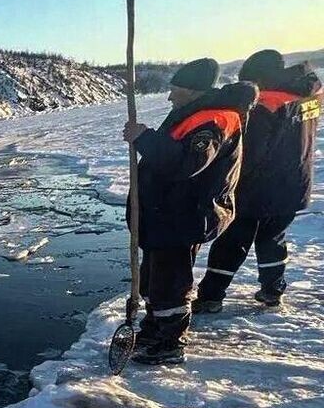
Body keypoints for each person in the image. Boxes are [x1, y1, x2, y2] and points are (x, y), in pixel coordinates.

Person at [122, 58, 257, 364]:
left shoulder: (213, 121)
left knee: (170, 283)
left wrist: (144, 138)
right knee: (154, 279)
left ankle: (169, 343)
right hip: (167, 214)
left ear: (193, 91)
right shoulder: (195, 114)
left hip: (183, 216)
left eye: (176, 89)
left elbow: (186, 164)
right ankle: (154, 329)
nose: (170, 96)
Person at [194, 50, 322, 311]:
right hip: (295, 183)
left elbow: (251, 150)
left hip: (258, 186)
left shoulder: (265, 103)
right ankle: (273, 290)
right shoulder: (308, 96)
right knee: (272, 237)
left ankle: (210, 296)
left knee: (232, 239)